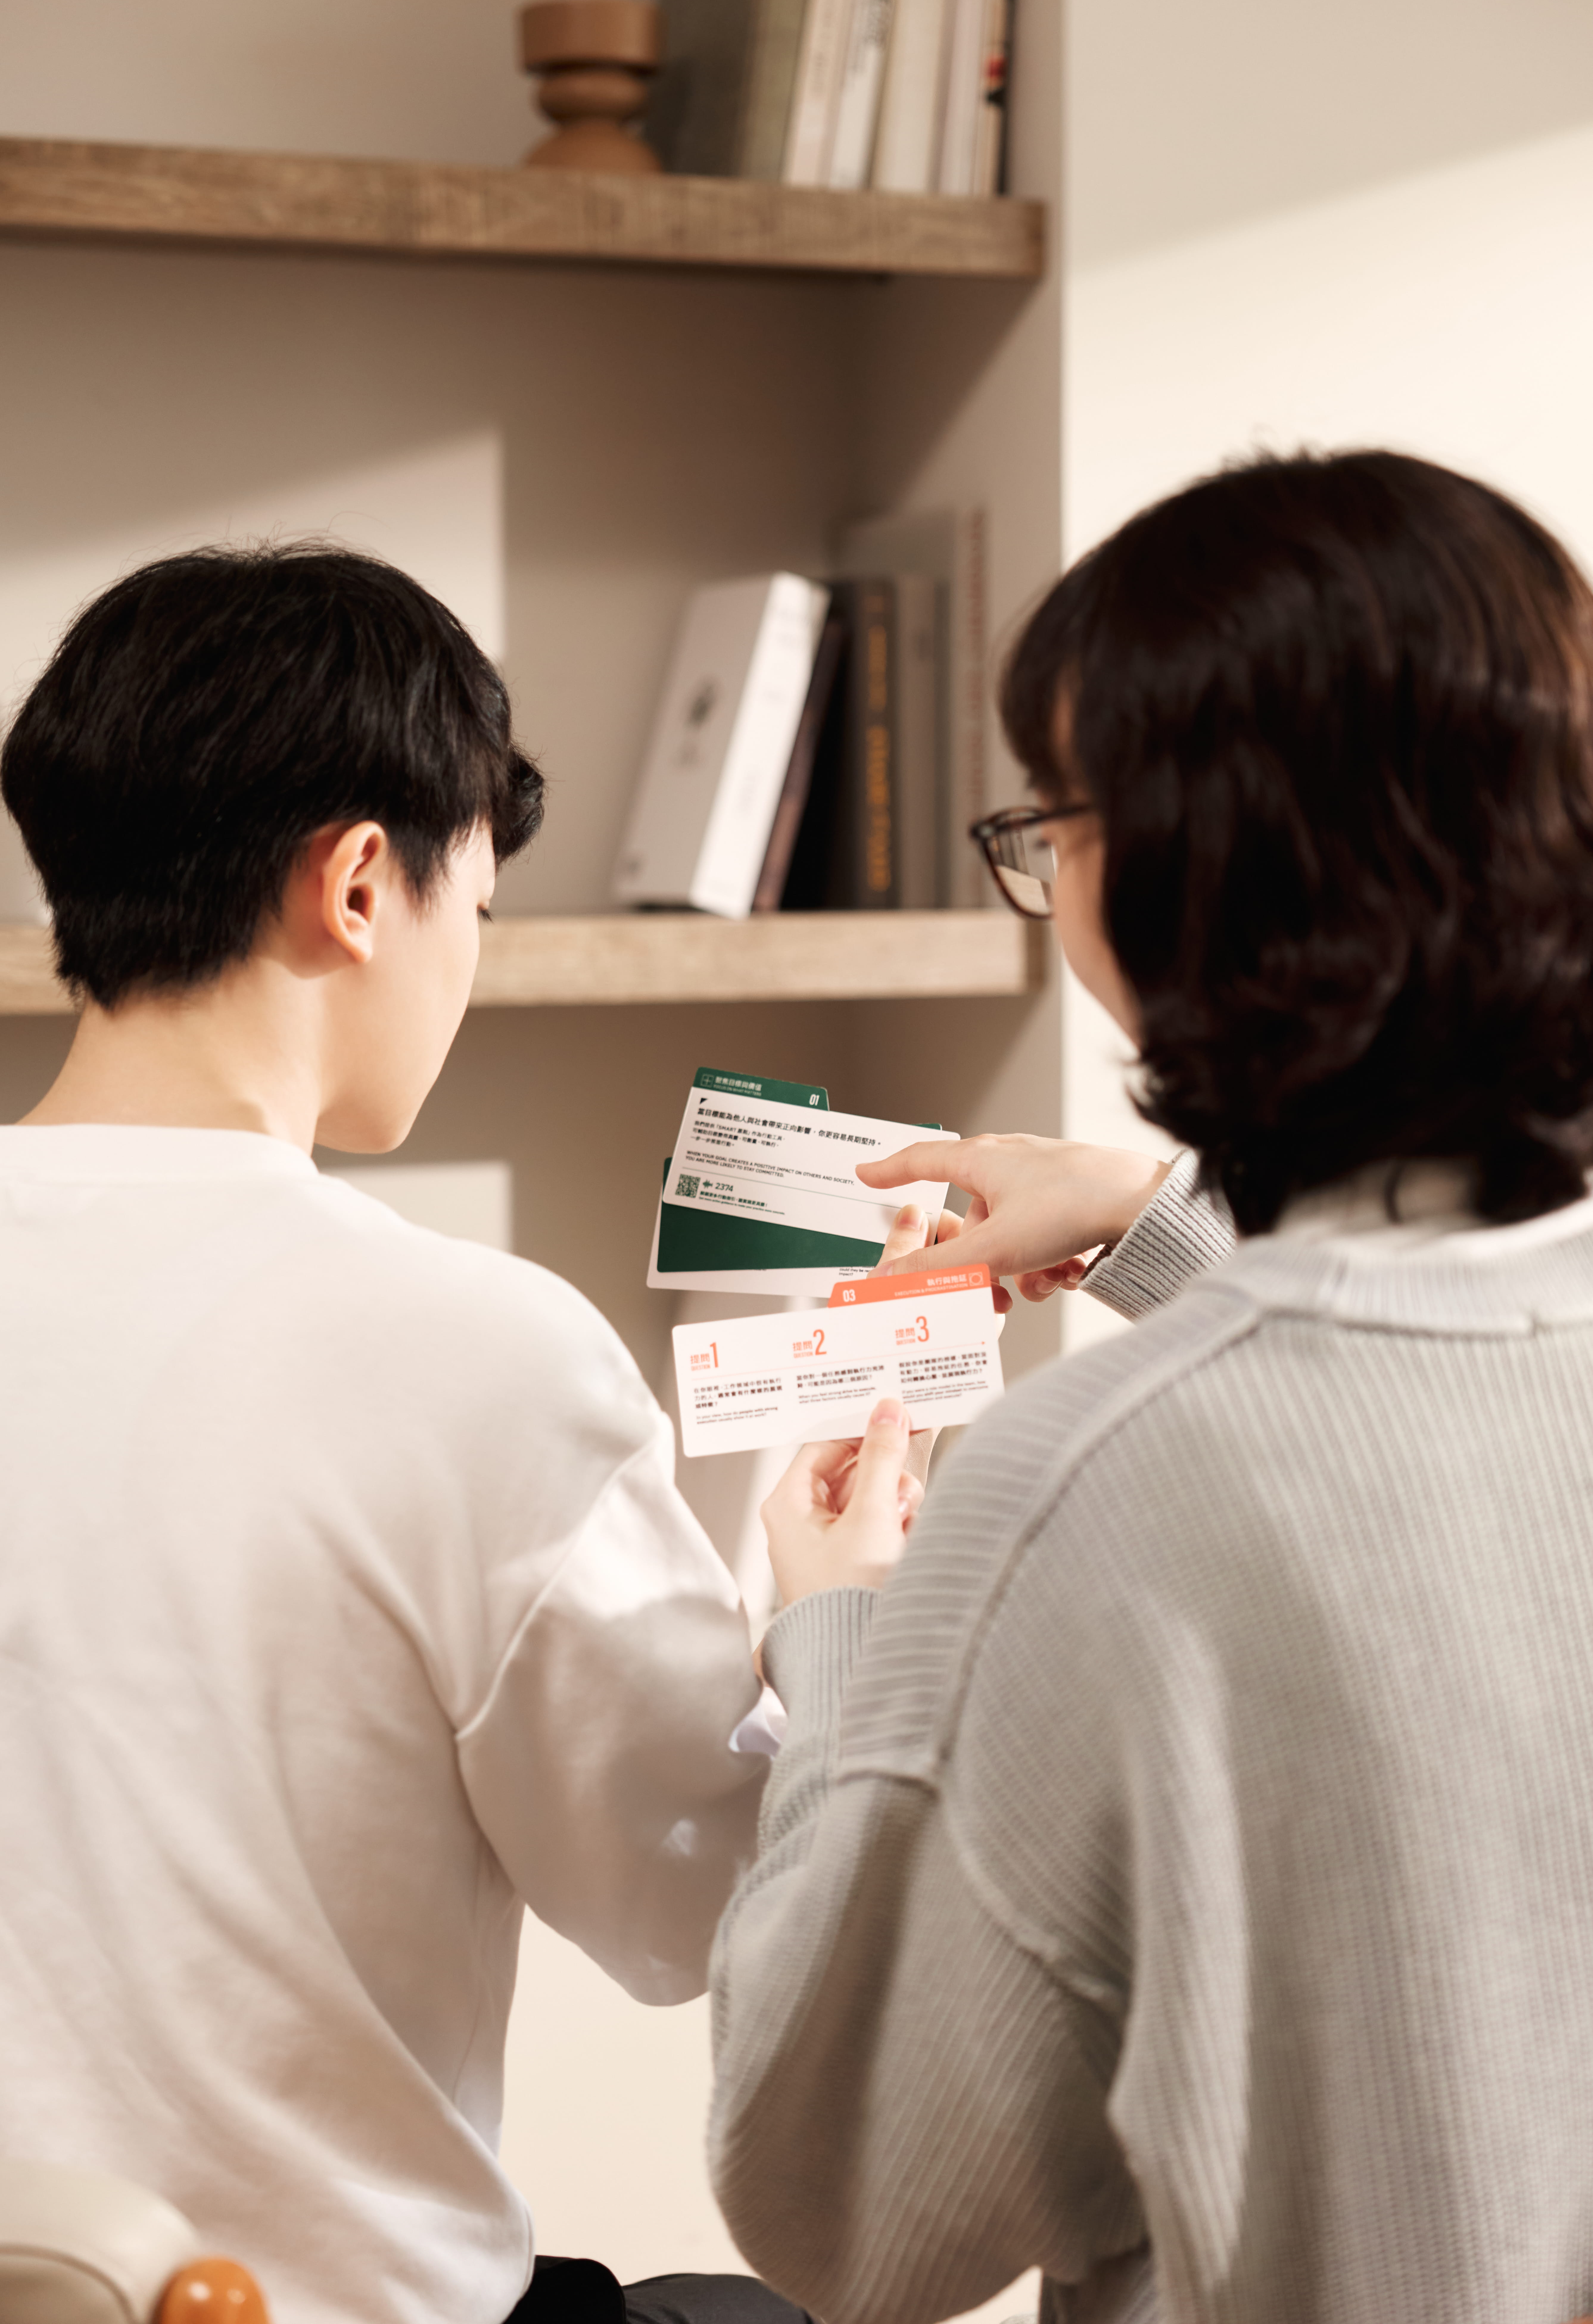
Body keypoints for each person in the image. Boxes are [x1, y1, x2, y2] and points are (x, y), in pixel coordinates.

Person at [705, 451, 1593, 2324]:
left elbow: (848, 2200)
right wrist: (1156, 1226)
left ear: (1196, 871)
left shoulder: (1085, 1491)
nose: (1042, 877)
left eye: (1052, 820)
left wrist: (845, 1637)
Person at [0, 545, 922, 2324]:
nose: (465, 965)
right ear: (361, 883)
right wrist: (834, 1606)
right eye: (473, 910)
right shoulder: (469, 1347)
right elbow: (695, 1909)